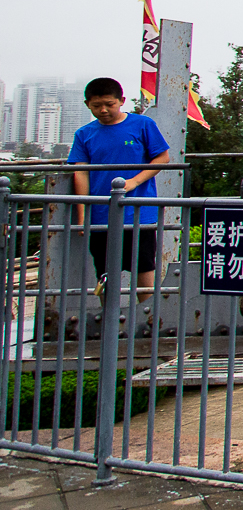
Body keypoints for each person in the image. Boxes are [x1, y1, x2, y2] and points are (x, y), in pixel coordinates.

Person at [67, 78, 171, 333]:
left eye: (109, 104)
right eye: (96, 106)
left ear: (121, 101)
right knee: (105, 272)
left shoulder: (143, 124)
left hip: (139, 213)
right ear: (87, 105)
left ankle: (150, 324)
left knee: (144, 266)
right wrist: (82, 216)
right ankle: (110, 326)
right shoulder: (84, 134)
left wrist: (135, 181)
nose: (103, 110)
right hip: (101, 215)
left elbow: (163, 157)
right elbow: (80, 173)